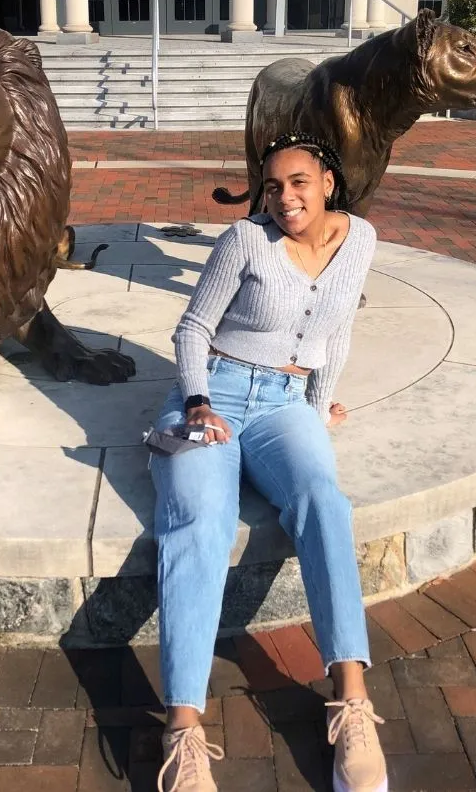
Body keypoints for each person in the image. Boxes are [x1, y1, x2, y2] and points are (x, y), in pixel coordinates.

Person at [150, 131, 385, 792]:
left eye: (298, 182)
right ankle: (182, 729)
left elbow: (337, 329)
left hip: (285, 403)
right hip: (214, 396)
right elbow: (193, 329)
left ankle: (351, 701)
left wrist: (318, 406)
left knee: (323, 500)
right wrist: (197, 403)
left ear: (327, 183)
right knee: (201, 520)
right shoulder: (245, 241)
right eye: (273, 186)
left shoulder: (360, 241)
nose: (285, 198)